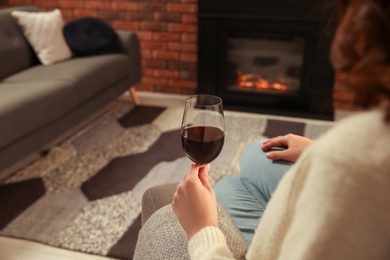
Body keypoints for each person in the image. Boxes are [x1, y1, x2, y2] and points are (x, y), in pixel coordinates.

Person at [172, 0, 390, 259]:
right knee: (255, 153)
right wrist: (315, 151)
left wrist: (202, 231)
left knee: (227, 188)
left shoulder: (351, 162)